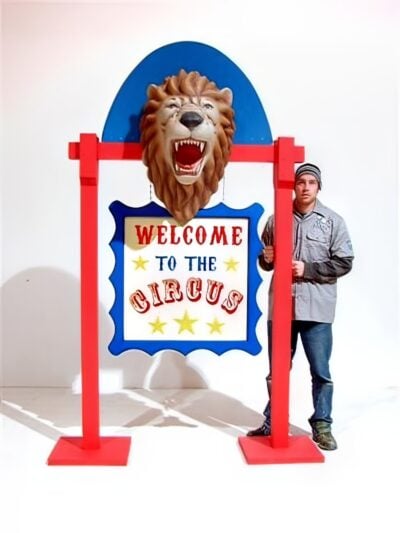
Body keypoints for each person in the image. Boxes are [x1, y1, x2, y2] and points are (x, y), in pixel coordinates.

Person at [247, 162, 354, 450]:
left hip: (317, 309)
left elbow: (344, 262)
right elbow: (264, 262)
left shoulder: (332, 222)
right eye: (301, 182)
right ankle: (273, 421)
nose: (305, 188)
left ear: (319, 187)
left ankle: (322, 425)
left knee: (320, 371)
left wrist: (308, 269)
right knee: (277, 370)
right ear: (293, 186)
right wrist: (266, 258)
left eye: (311, 182)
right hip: (281, 306)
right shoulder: (276, 220)